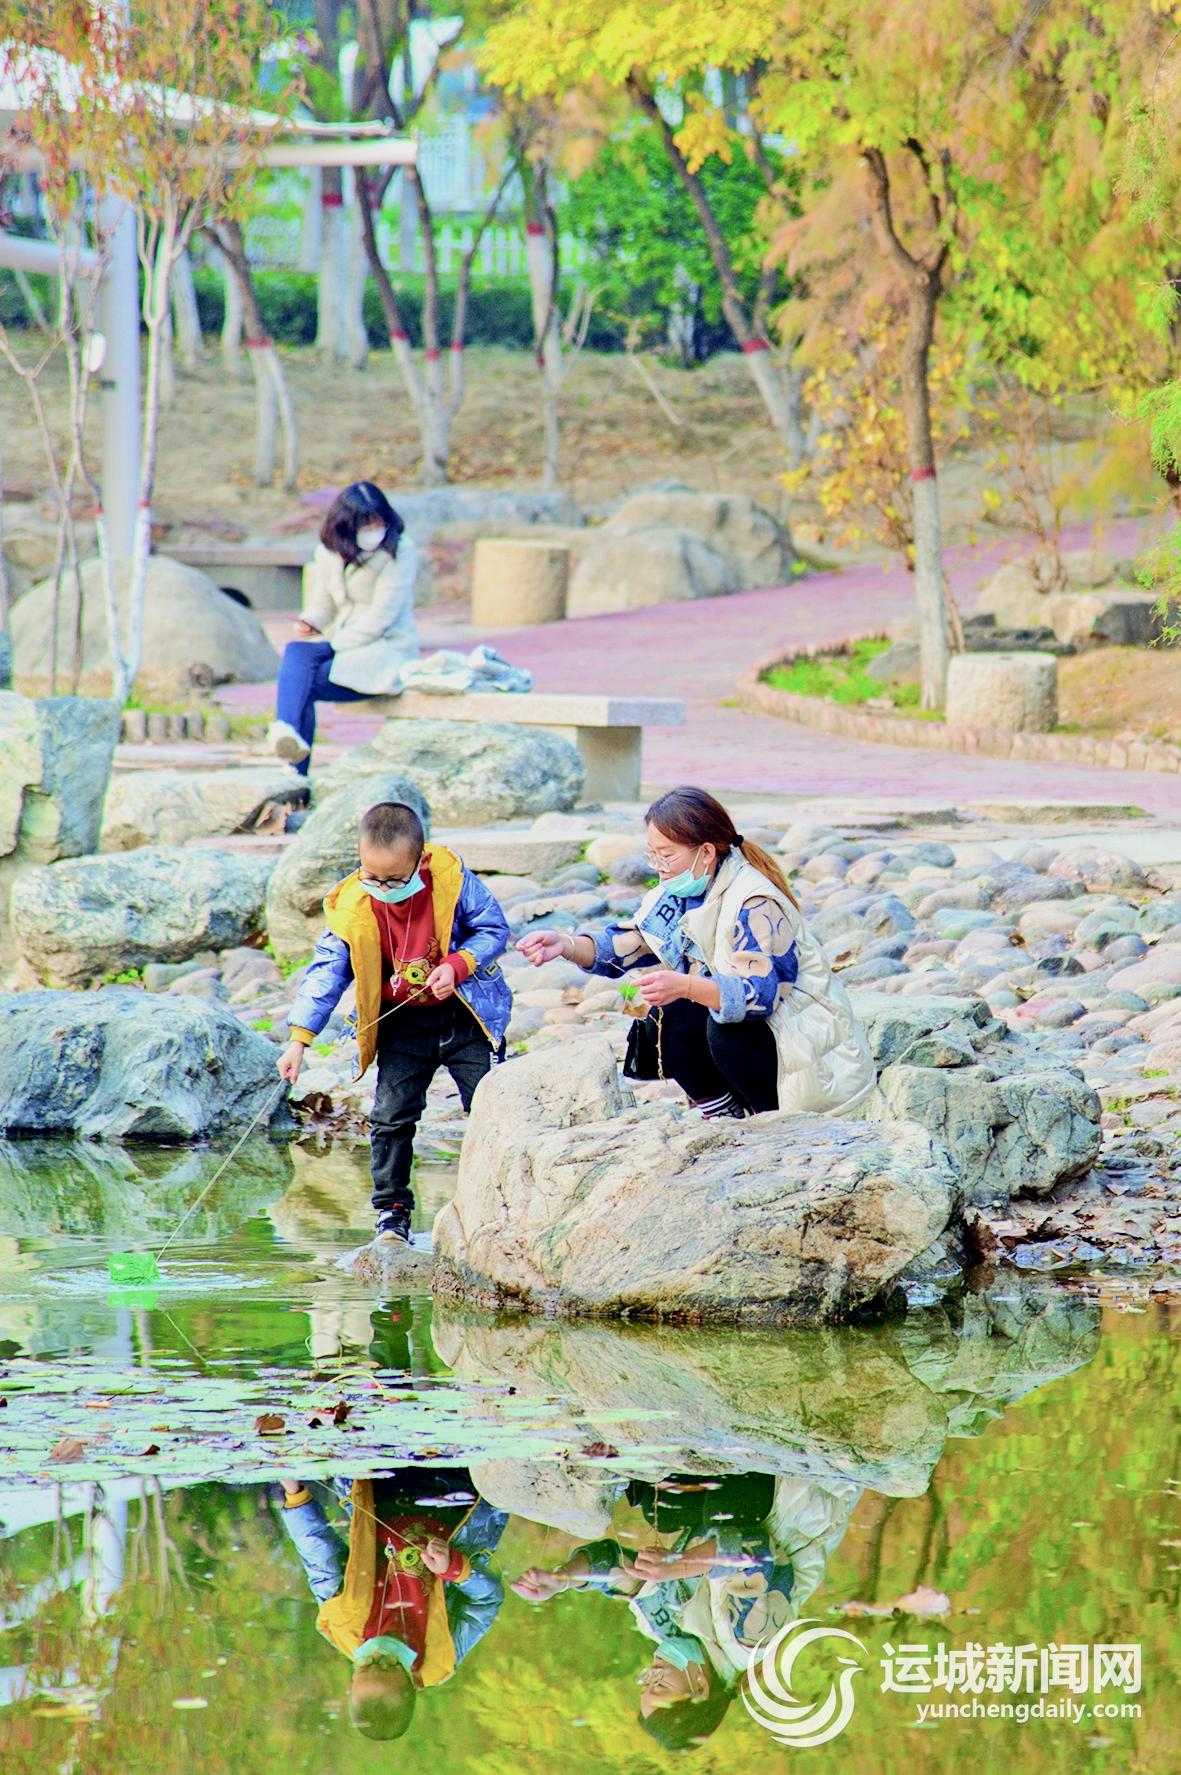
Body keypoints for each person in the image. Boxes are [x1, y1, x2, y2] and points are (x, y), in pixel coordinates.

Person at [518, 785, 874, 1119]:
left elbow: (759, 996)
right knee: (668, 1015)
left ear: (705, 852)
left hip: (805, 1052)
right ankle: (724, 1114)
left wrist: (686, 986)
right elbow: (632, 944)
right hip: (769, 1039)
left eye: (666, 854)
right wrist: (566, 945)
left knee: (727, 1029)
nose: (657, 865)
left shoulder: (754, 901)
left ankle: (767, 1120)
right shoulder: (680, 892)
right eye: (653, 854)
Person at [277, 800, 512, 1243]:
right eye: (373, 878)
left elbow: (493, 930)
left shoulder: (452, 880)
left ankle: (502, 1199)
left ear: (419, 862)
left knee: (489, 1109)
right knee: (390, 1118)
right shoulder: (351, 906)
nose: (384, 888)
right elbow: (326, 973)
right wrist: (298, 1039)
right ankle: (392, 1211)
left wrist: (459, 964)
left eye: (396, 880)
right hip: (402, 1025)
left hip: (466, 1017)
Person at [278, 1470, 508, 1741]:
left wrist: (295, 1495)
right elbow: (486, 1602)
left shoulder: (342, 1625)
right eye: (389, 1665)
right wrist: (455, 1569)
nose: (378, 1654)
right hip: (462, 1504)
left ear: (352, 1680)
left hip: (380, 1491)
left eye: (366, 1665)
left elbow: (319, 1554)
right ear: (413, 1680)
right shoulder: (443, 1656)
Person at [268, 480, 419, 775]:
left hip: (384, 651)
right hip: (346, 647)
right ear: (346, 524)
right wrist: (311, 621)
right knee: (298, 656)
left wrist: (333, 646)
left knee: (301, 676)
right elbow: (324, 604)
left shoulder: (400, 550)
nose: (374, 530)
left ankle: (291, 757)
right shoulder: (328, 553)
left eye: (379, 523)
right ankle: (291, 750)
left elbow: (383, 615)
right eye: (367, 524)